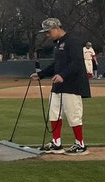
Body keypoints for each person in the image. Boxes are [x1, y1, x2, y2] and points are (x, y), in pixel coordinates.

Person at [31, 18, 91, 155]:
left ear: (57, 28)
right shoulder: (58, 44)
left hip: (72, 84)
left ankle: (80, 144)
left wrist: (63, 75)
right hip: (59, 84)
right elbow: (56, 64)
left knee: (73, 114)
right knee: (53, 113)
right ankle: (56, 143)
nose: (47, 35)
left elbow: (77, 63)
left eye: (48, 31)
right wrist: (41, 74)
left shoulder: (73, 41)